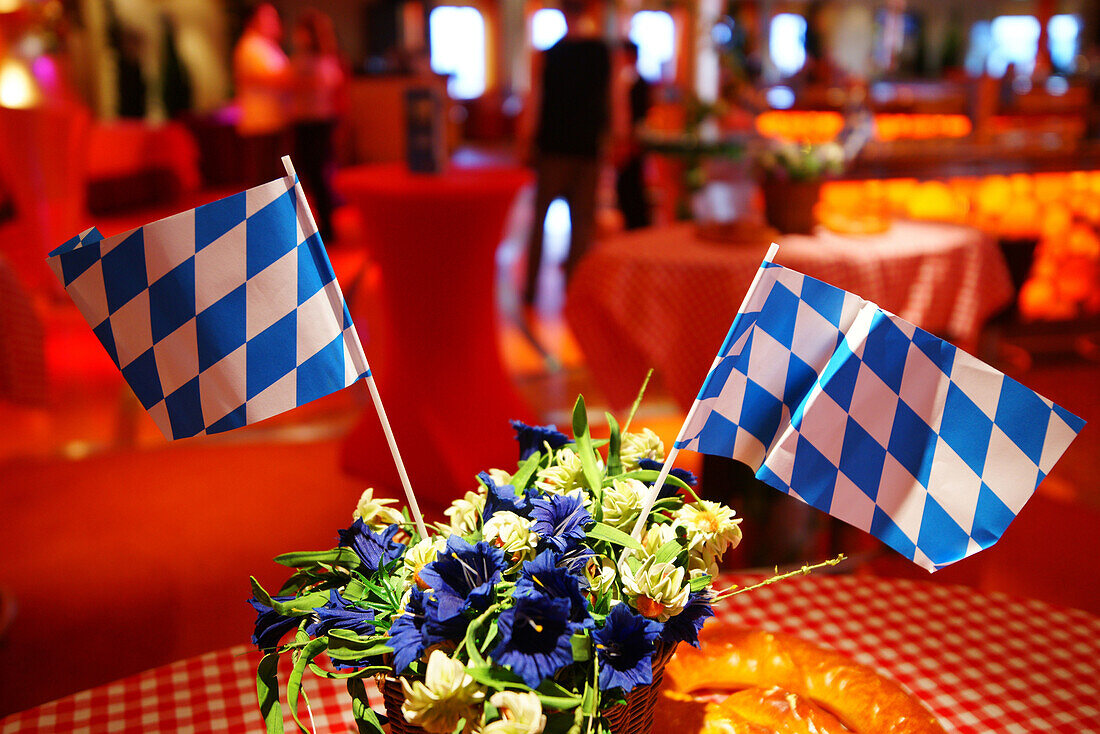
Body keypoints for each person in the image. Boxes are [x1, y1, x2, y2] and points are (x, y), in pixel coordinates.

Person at [523, 0, 611, 308]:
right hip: (587, 148)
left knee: (540, 222)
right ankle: (574, 292)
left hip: (552, 148)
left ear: (562, 13)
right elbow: (613, 101)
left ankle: (530, 292)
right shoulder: (602, 53)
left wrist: (524, 142)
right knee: (582, 224)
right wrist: (614, 138)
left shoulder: (549, 54)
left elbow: (534, 102)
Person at [290, 8, 345, 242]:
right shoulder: (315, 58)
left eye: (300, 31)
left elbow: (324, 84)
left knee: (318, 175)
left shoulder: (321, 59)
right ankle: (321, 225)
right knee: (312, 175)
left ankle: (327, 227)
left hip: (316, 122)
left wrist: (295, 82)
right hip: (309, 121)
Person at [233, 3, 290, 186]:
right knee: (263, 179)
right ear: (253, 20)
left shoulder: (269, 46)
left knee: (272, 175)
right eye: (268, 17)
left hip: (273, 121)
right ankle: (263, 214)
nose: (274, 22)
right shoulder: (250, 46)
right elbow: (270, 79)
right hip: (260, 123)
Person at [614, 40, 651, 230]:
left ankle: (637, 227)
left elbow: (640, 118)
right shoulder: (621, 82)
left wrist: (633, 141)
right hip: (624, 142)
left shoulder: (638, 83)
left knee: (633, 186)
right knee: (624, 186)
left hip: (634, 142)